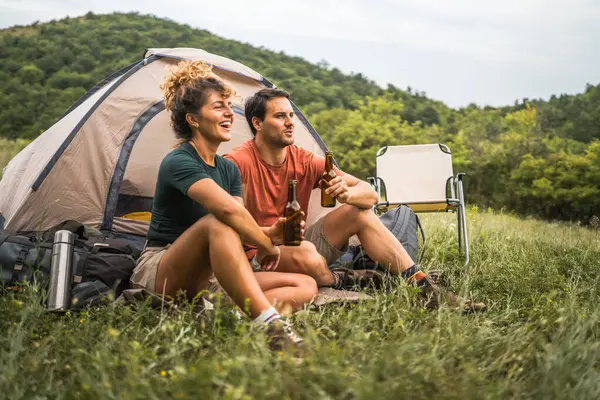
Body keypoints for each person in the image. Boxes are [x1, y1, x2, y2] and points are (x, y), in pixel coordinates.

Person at [224, 88, 486, 312]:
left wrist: (348, 194)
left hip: (299, 243)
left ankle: (422, 286)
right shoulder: (238, 163)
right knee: (306, 253)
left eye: (291, 115)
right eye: (280, 116)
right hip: (259, 252)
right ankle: (344, 278)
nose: (290, 122)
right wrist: (271, 237)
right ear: (257, 123)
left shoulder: (304, 159)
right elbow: (229, 226)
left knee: (357, 213)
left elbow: (371, 195)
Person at [130, 62, 318, 352]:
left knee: (305, 285)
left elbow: (241, 230)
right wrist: (268, 246)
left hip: (210, 276)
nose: (230, 113)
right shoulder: (179, 161)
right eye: (219, 107)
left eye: (230, 106)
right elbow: (227, 214)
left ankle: (231, 316)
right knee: (217, 221)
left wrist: (273, 233)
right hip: (163, 268)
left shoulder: (228, 170)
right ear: (193, 119)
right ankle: (272, 326)